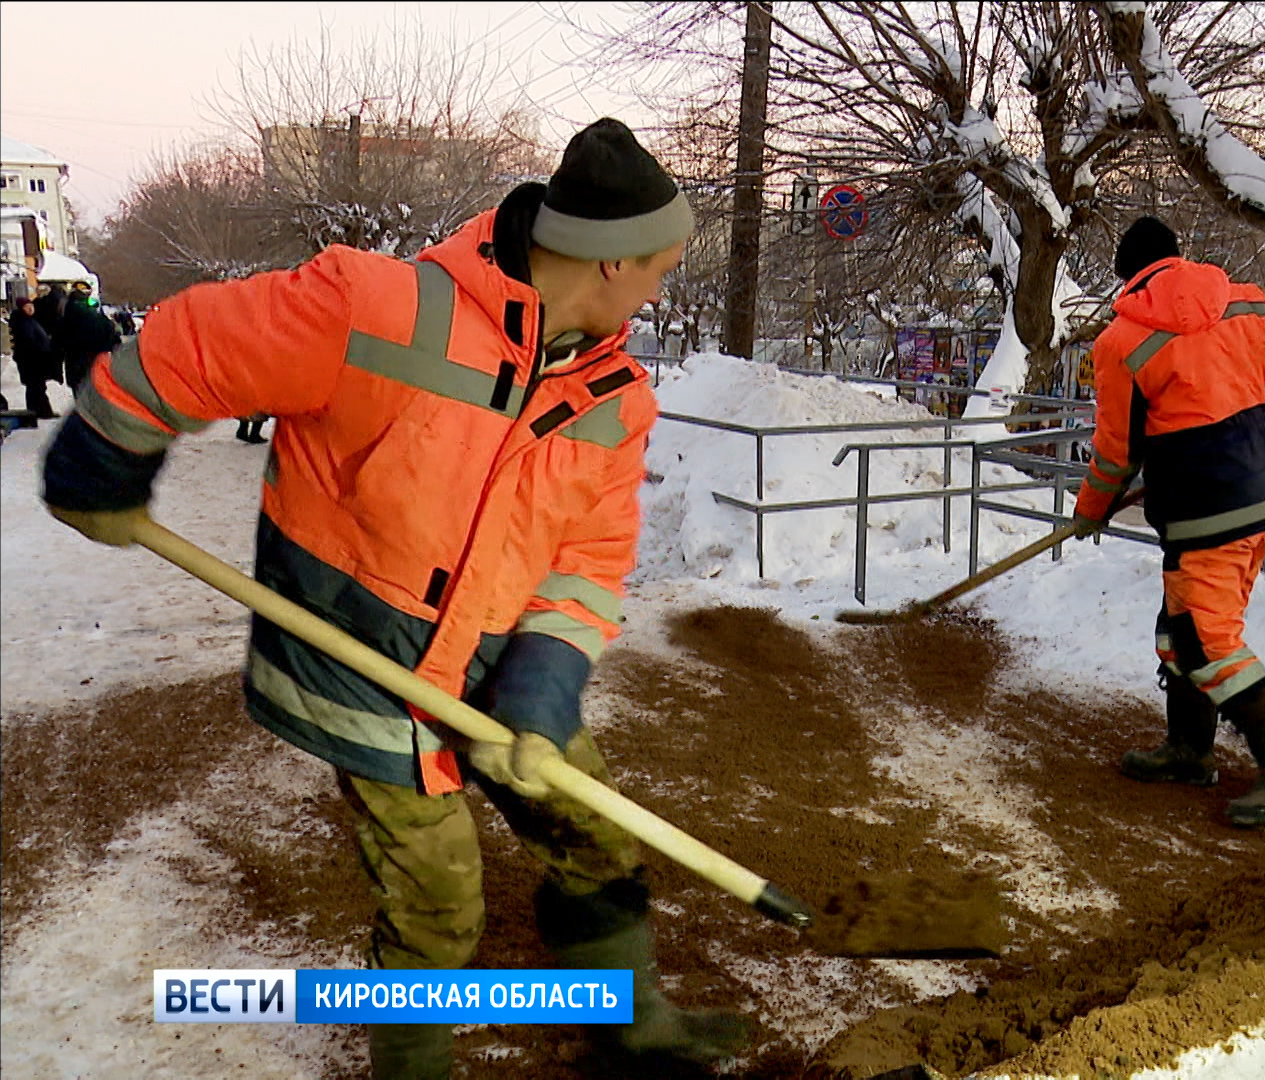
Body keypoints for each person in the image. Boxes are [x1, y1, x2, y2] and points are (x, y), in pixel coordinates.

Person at [40, 118, 743, 1078]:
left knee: (597, 837)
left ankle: (634, 1029)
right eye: (660, 266)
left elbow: (590, 552)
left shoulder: (615, 392)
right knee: (439, 900)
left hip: (498, 660)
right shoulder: (381, 308)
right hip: (359, 659)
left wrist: (546, 680)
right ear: (612, 262)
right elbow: (196, 341)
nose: (663, 286)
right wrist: (105, 449)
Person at [1071, 216, 1265, 827]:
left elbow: (1116, 453)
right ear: (1176, 256)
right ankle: (1189, 749)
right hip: (1259, 504)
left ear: (1127, 278)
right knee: (1181, 629)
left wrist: (1090, 510)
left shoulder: (1121, 343)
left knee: (1205, 640)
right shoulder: (1246, 303)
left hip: (1202, 516)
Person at [56, 281, 121, 390]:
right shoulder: (92, 314)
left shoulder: (66, 311)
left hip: (75, 363)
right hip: (94, 361)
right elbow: (110, 333)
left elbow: (59, 341)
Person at [8, 298, 59, 418]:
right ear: (22, 308)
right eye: (27, 306)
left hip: (34, 361)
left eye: (31, 306)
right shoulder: (22, 322)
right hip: (31, 361)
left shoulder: (29, 320)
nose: (30, 308)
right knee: (36, 387)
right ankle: (41, 412)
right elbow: (28, 342)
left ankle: (36, 411)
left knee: (36, 387)